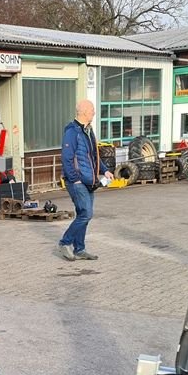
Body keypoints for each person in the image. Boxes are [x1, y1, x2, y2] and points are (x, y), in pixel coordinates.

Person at [57, 100, 113, 261]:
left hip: (90, 181)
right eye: (92, 109)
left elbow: (94, 156)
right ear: (83, 112)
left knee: (83, 214)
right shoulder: (72, 132)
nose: (94, 112)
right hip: (77, 182)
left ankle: (79, 249)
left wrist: (104, 170)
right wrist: (75, 180)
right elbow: (66, 158)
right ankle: (65, 242)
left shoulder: (88, 131)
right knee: (87, 214)